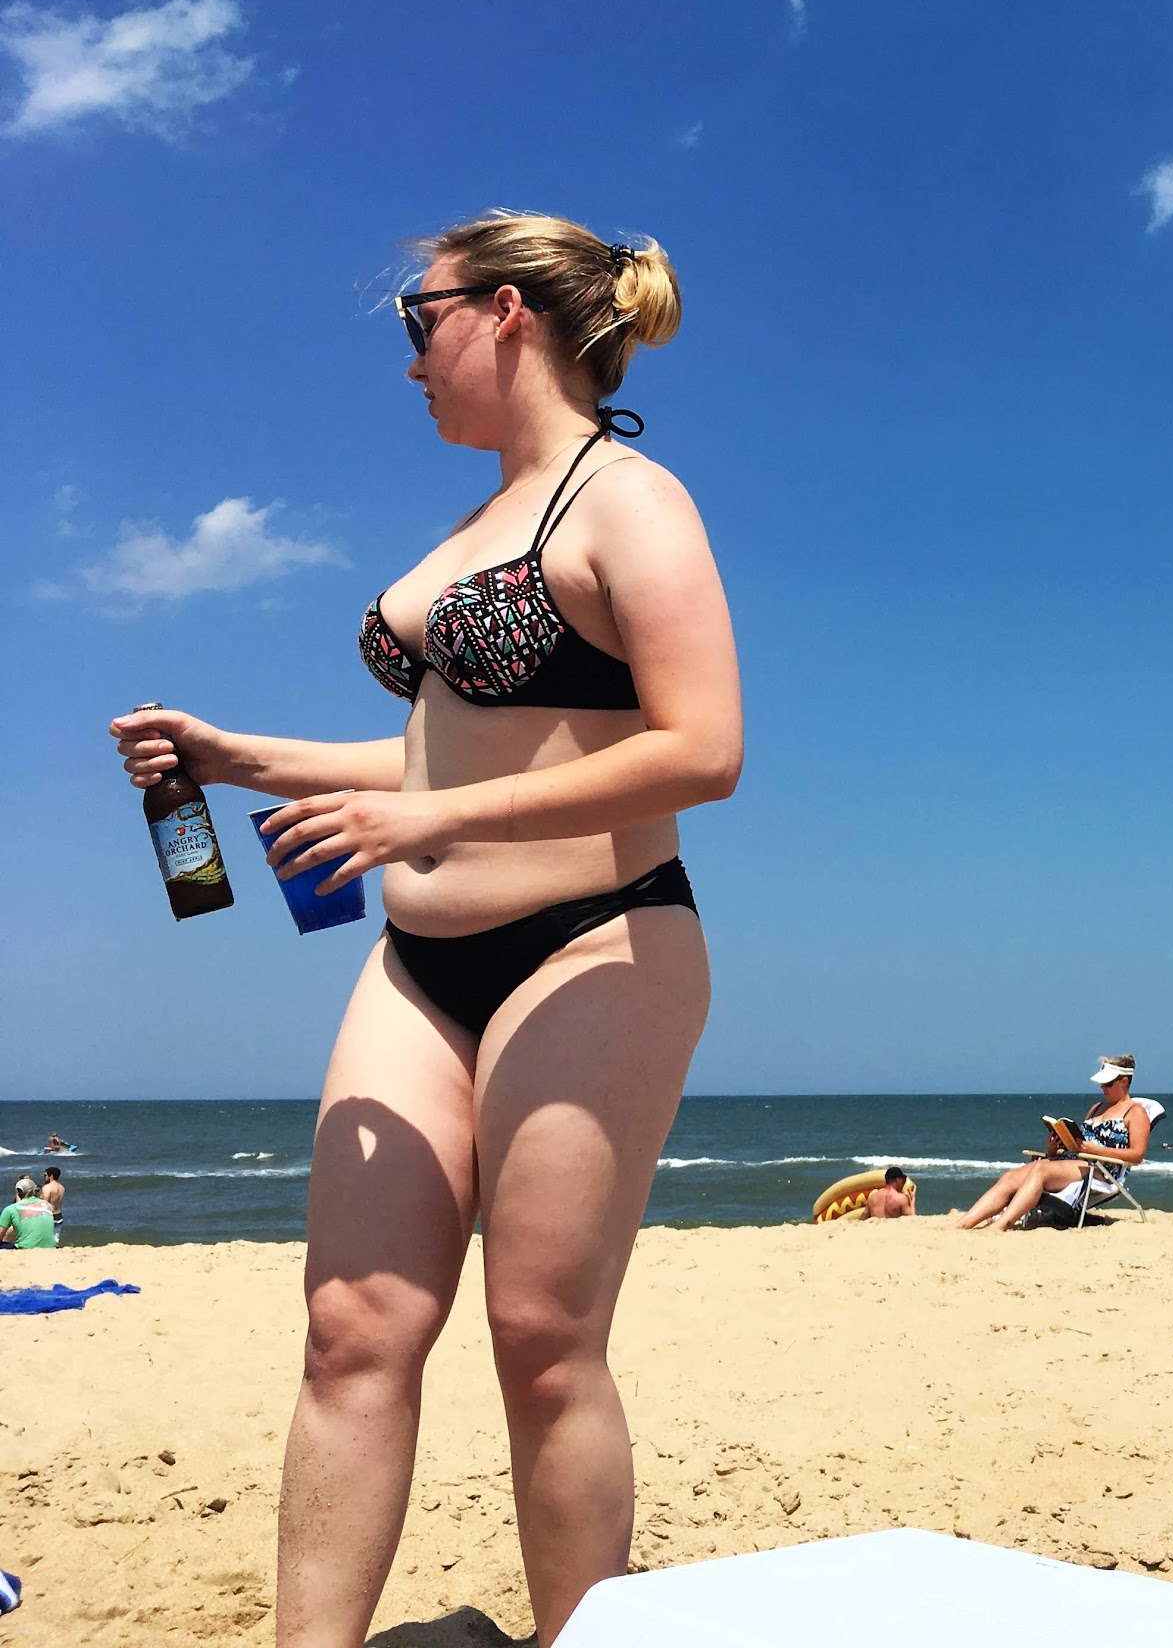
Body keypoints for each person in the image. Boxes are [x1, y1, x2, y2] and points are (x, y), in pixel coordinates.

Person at [109, 211, 741, 1647]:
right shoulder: (474, 524)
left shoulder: (630, 501)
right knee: (352, 1328)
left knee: (543, 1342)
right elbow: (432, 760)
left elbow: (704, 749)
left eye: (419, 318)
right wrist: (235, 758)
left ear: (504, 311)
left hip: (597, 940)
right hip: (417, 965)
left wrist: (434, 818)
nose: (409, 358)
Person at [955, 1055, 1158, 1229]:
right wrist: (1054, 1150)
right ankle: (963, 1224)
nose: (1102, 1088)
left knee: (1040, 1170)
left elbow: (1137, 1155)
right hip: (1076, 1162)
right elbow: (1080, 1145)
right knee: (1010, 1177)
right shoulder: (1097, 1108)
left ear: (1124, 1082)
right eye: (1102, 1084)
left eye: (1108, 1084)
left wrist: (1097, 1151)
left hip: (1101, 1170)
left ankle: (1001, 1225)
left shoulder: (1135, 1112)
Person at [0, 1177, 56, 1250]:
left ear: (18, 1193)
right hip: (50, 1247)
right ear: (34, 1191)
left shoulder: (10, 1209)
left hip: (25, 1248)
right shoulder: (48, 1206)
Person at [40, 1168, 64, 1241]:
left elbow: (45, 1204)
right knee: (55, 1239)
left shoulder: (47, 1188)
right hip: (59, 1215)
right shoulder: (62, 1188)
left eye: (45, 1175)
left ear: (51, 1176)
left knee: (45, 1238)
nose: (44, 1177)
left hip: (49, 1215)